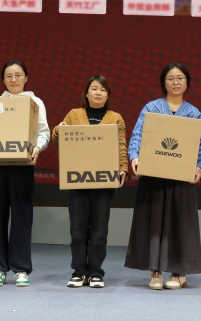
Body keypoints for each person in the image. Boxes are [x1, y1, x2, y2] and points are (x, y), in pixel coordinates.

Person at [124, 63, 201, 290]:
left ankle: (179, 273)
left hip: (181, 178)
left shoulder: (193, 112)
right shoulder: (151, 108)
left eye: (180, 78)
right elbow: (138, 135)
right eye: (170, 78)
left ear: (187, 83)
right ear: (164, 82)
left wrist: (200, 166)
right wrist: (134, 156)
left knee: (180, 224)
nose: (175, 82)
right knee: (154, 224)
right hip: (154, 175)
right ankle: (156, 271)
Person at [51, 75, 128, 289]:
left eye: (103, 89)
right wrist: (58, 129)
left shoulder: (115, 118)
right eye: (94, 88)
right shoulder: (74, 115)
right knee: (77, 229)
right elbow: (58, 138)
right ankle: (79, 271)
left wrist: (123, 167)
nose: (98, 93)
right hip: (78, 180)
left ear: (108, 95)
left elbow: (121, 145)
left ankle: (95, 271)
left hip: (103, 181)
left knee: (99, 230)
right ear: (86, 93)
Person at [0, 60, 50, 288]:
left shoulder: (35, 102)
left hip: (22, 166)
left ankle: (21, 268)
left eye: (18, 75)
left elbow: (43, 132)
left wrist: (38, 147)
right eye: (9, 76)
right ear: (3, 80)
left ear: (26, 78)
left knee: (22, 216)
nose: (14, 80)